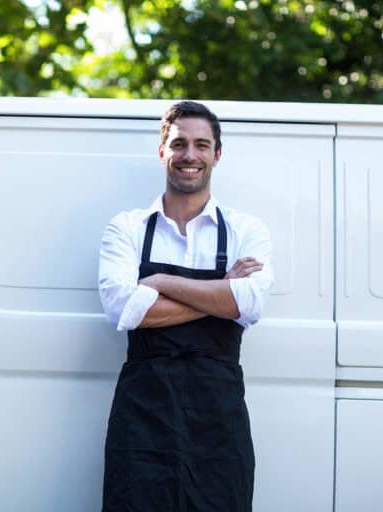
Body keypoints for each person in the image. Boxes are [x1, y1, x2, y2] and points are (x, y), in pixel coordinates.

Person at [98, 101, 274, 511]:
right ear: (162, 151)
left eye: (201, 144)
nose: (189, 155)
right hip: (143, 411)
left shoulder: (246, 229)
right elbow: (126, 311)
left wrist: (160, 284)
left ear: (217, 154)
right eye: (179, 144)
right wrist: (221, 290)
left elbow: (248, 302)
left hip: (218, 417)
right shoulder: (127, 227)